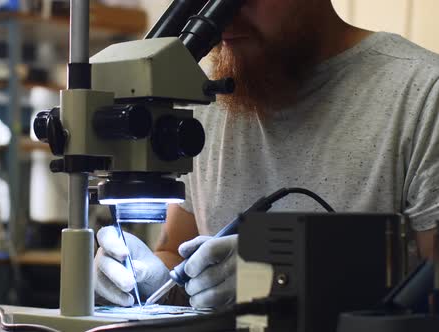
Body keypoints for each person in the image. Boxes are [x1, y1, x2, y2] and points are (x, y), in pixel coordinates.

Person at [95, 0, 439, 309]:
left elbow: (433, 288)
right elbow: (175, 253)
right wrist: (154, 279)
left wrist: (286, 280)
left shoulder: (422, 94)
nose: (226, 21)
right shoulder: (204, 100)